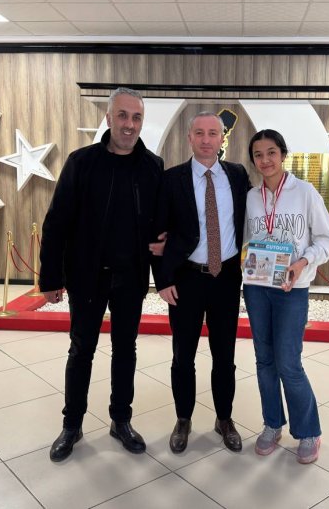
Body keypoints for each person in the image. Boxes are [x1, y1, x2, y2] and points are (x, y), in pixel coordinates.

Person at [39, 87, 164, 462]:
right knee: (81, 351)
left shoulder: (152, 166)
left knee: (126, 350)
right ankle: (72, 425)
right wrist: (51, 278)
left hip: (131, 277)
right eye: (122, 115)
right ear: (109, 118)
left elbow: (160, 227)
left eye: (136, 117)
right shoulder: (81, 163)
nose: (129, 124)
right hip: (86, 276)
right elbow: (56, 222)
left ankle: (120, 421)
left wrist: (167, 269)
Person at [154, 112, 251, 454]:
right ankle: (183, 419)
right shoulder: (171, 179)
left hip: (226, 279)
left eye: (213, 133)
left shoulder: (237, 175)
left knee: (225, 355)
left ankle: (224, 418)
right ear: (189, 137)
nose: (207, 139)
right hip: (186, 280)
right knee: (183, 356)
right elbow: (157, 233)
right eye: (200, 133)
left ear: (222, 138)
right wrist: (162, 279)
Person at [243, 129, 329, 464]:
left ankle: (309, 431)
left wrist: (302, 262)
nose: (265, 160)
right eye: (258, 155)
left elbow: (326, 240)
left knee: (288, 362)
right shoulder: (252, 198)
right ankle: (272, 424)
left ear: (283, 155)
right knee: (264, 360)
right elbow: (247, 241)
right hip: (257, 289)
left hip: (291, 290)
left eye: (271, 152)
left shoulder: (305, 192)